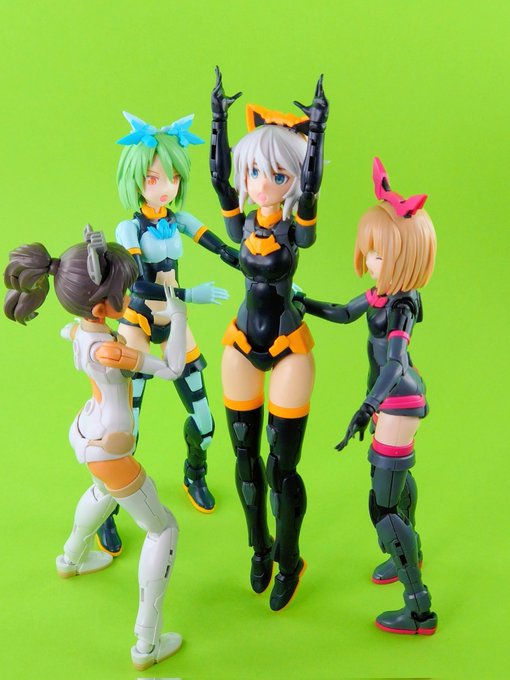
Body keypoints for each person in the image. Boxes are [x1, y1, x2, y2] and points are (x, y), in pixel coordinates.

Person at [4, 226, 188, 668]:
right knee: (163, 529)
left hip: (87, 430)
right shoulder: (108, 351)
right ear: (103, 307)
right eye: (124, 292)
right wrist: (179, 317)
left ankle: (71, 558)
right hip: (110, 445)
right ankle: (146, 643)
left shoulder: (79, 331)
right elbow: (173, 368)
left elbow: (73, 331)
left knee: (103, 492)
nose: (130, 296)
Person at [298, 158, 438, 634]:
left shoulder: (402, 304)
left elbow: (395, 364)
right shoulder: (381, 293)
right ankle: (410, 551)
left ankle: (418, 608)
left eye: (379, 254)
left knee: (382, 506)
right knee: (394, 481)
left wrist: (367, 408)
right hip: (390, 401)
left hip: (396, 400)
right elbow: (342, 311)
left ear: (404, 257)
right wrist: (302, 302)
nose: (370, 260)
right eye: (370, 251)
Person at [209, 67, 328, 610]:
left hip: (286, 347)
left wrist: (318, 130)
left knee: (282, 467)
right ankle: (258, 548)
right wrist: (218, 118)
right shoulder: (242, 226)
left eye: (276, 174)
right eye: (254, 170)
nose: (261, 182)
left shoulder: (294, 231)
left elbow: (313, 189)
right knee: (244, 458)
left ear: (292, 178)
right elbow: (220, 183)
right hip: (240, 342)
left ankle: (288, 557)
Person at [97, 111, 239, 556]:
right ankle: (106, 508)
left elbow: (222, 247)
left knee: (206, 422)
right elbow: (138, 284)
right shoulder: (129, 228)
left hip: (175, 321)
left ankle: (194, 472)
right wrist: (192, 294)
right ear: (137, 180)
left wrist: (259, 266)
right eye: (155, 178)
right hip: (140, 322)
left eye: (173, 178)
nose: (166, 187)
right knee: (124, 430)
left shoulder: (178, 220)